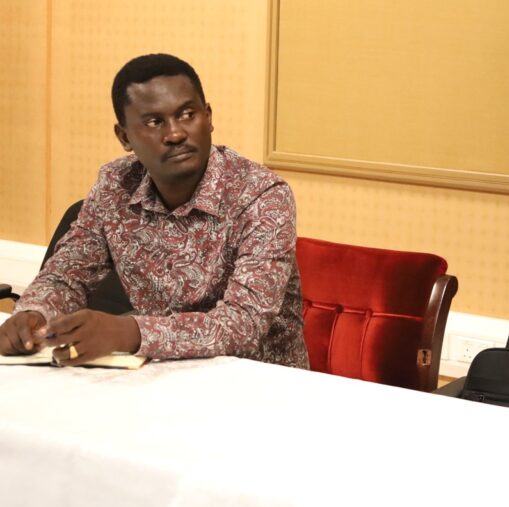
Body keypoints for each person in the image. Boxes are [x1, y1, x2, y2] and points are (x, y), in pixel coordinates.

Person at [0, 53, 308, 369]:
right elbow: (68, 273)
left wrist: (128, 332)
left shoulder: (261, 195)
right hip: (155, 373)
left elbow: (245, 323)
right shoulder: (114, 184)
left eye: (187, 114)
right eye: (154, 122)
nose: (175, 133)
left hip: (257, 384)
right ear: (124, 137)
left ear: (209, 116)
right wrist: (32, 315)